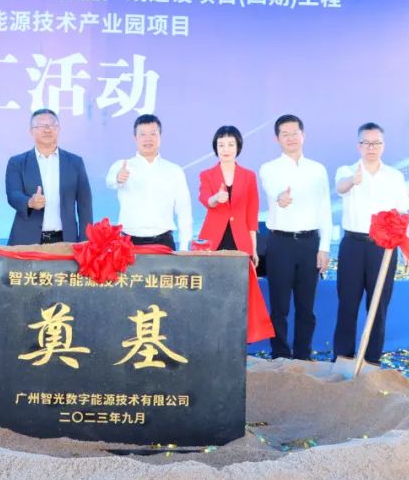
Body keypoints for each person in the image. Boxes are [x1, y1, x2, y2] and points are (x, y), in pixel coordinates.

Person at [333, 122, 409, 367]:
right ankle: (343, 357)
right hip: (353, 245)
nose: (371, 147)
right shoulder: (346, 170)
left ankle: (372, 359)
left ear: (383, 146)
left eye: (376, 143)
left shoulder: (394, 176)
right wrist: (353, 180)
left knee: (378, 304)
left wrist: (405, 248)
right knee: (348, 302)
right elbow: (340, 187)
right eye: (366, 143)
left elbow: (403, 213)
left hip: (384, 249)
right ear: (359, 146)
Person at [257, 114, 331, 360]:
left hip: (310, 243)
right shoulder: (269, 168)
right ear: (277, 139)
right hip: (280, 243)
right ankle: (279, 354)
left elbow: (325, 209)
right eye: (284, 134)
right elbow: (272, 189)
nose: (290, 138)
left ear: (303, 135)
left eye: (294, 133)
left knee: (306, 306)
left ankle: (302, 355)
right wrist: (281, 198)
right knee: (279, 306)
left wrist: (324, 247)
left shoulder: (318, 169)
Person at [5, 109, 93, 245]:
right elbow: (13, 195)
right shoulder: (17, 162)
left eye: (52, 124)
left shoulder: (75, 162)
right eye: (41, 125)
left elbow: (85, 204)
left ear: (59, 129)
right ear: (31, 131)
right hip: (26, 239)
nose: (47, 129)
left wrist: (85, 240)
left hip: (64, 239)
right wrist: (29, 202)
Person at [105, 114, 192, 250]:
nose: (148, 139)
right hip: (129, 242)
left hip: (163, 241)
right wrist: (118, 178)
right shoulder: (122, 165)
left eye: (153, 134)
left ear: (160, 137)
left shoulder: (174, 170)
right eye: (143, 134)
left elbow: (184, 211)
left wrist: (185, 246)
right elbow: (109, 181)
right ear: (135, 138)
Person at [197, 125, 259, 262]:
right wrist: (216, 198)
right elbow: (205, 199)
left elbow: (251, 215)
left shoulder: (249, 176)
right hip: (213, 240)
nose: (226, 149)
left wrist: (254, 248)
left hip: (240, 240)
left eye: (231, 144)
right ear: (216, 148)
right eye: (221, 145)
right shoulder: (206, 175)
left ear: (238, 147)